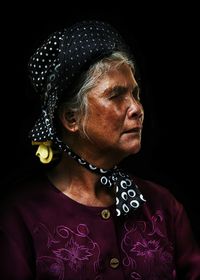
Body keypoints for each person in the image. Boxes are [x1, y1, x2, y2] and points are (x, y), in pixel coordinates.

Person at [0, 20, 199, 280]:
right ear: (71, 118)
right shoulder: (20, 218)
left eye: (135, 94)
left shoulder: (164, 207)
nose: (137, 108)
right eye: (116, 96)